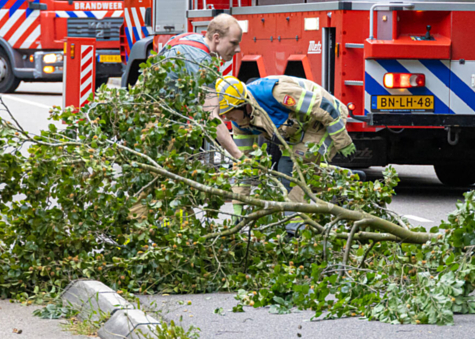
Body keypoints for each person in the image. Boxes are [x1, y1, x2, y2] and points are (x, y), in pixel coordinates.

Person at [215, 75, 357, 202]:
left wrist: (343, 141)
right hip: (299, 133)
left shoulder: (276, 93)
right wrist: (239, 205)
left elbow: (324, 108)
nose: (227, 118)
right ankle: (345, 182)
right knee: (294, 172)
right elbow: (244, 163)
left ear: (243, 104)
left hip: (328, 119)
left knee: (294, 169)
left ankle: (294, 225)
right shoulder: (239, 122)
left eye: (229, 113)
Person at [153, 14, 244, 158]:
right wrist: (239, 156)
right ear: (216, 38)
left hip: (151, 114)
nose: (238, 49)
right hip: (158, 122)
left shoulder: (189, 38)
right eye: (233, 43)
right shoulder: (201, 61)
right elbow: (211, 117)